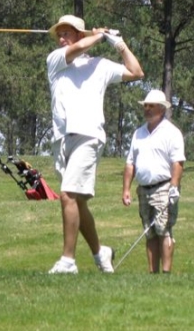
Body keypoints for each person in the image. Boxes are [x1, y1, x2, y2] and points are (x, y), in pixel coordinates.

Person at [46, 14, 144, 274]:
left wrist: (118, 44)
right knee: (76, 202)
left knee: (67, 194)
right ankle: (101, 253)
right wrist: (99, 35)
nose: (62, 38)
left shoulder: (100, 65)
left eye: (67, 33)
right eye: (59, 34)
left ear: (80, 34)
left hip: (88, 135)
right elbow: (77, 49)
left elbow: (136, 72)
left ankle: (68, 261)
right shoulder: (56, 60)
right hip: (61, 139)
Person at [121, 89, 185, 274]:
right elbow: (130, 164)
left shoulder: (171, 133)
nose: (147, 110)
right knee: (148, 232)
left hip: (164, 187)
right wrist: (126, 189)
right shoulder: (138, 133)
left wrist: (174, 187)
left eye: (151, 106)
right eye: (146, 106)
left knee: (163, 230)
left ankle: (165, 273)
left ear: (162, 109)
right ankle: (152, 274)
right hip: (143, 189)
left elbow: (178, 162)